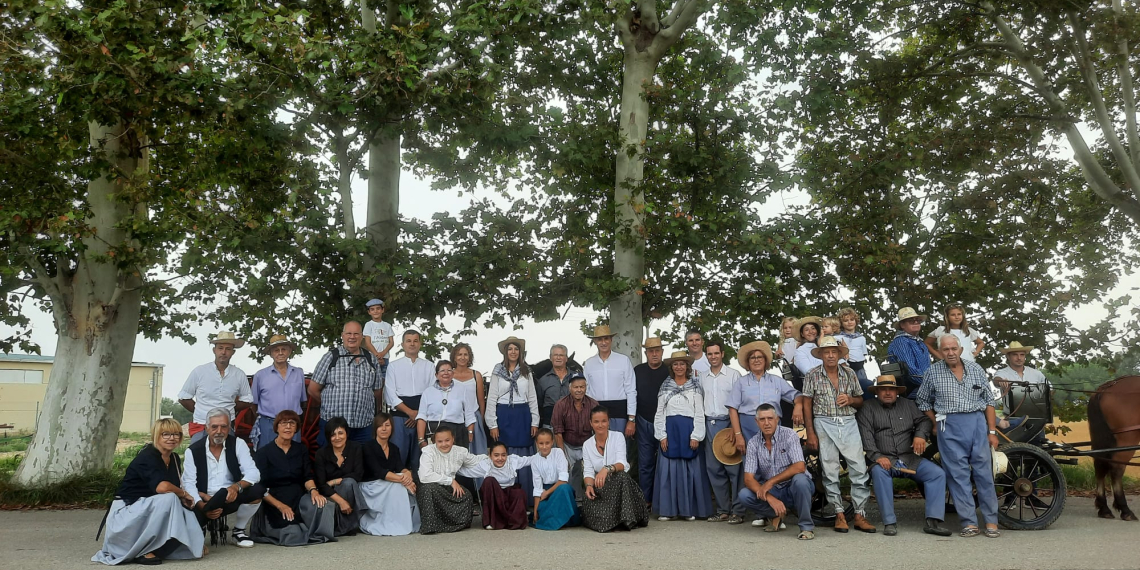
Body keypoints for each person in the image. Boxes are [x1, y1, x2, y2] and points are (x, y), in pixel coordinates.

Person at [915, 334, 1002, 538]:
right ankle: (969, 523)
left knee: (984, 474)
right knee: (957, 476)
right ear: (940, 351)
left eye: (954, 348)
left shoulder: (976, 369)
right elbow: (922, 401)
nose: (950, 353)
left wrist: (991, 431)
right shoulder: (933, 372)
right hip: (950, 424)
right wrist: (936, 422)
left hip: (977, 423)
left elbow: (989, 400)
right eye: (945, 349)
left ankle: (991, 521)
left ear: (961, 349)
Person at [93, 418, 202, 566]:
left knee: (184, 507)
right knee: (170, 498)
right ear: (156, 435)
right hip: (127, 511)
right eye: (166, 434)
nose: (172, 438)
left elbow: (173, 487)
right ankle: (143, 549)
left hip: (148, 509)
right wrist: (183, 494)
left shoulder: (174, 458)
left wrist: (185, 498)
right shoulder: (147, 456)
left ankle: (171, 546)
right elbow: (162, 487)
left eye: (176, 434)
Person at [856, 376, 951, 536]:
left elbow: (924, 421)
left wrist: (920, 435)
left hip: (909, 458)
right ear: (877, 391)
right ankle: (889, 522)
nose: (887, 392)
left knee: (937, 474)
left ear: (896, 391)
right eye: (883, 389)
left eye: (891, 389)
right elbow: (866, 437)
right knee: (879, 473)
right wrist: (878, 456)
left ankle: (933, 521)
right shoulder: (867, 408)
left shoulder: (909, 405)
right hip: (883, 460)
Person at [802, 336, 875, 533]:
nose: (831, 355)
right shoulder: (812, 375)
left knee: (859, 468)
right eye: (827, 352)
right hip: (823, 421)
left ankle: (860, 514)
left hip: (848, 422)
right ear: (822, 355)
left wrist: (851, 400)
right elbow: (807, 403)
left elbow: (860, 399)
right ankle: (839, 513)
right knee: (830, 468)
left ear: (839, 354)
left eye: (834, 351)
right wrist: (810, 432)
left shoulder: (850, 373)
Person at [249, 410, 336, 546]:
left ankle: (316, 534)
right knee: (293, 534)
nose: (288, 427)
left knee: (323, 505)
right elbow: (259, 487)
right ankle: (300, 531)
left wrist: (314, 491)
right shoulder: (263, 453)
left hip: (299, 497)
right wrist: (281, 506)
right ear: (277, 427)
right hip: (275, 501)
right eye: (284, 423)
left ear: (296, 428)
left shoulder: (301, 450)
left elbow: (307, 476)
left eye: (292, 423)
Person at [182, 408, 264, 548]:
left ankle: (238, 531)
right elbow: (188, 483)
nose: (219, 431)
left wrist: (235, 487)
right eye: (214, 427)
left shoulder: (238, 444)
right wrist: (202, 507)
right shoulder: (193, 450)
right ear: (206, 428)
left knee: (257, 491)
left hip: (229, 496)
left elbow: (254, 473)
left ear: (229, 428)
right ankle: (200, 527)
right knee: (193, 543)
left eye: (224, 426)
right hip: (203, 500)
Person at [737, 404, 816, 541]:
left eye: (770, 418)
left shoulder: (789, 435)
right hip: (774, 491)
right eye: (762, 419)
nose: (766, 423)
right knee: (744, 495)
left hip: (793, 487)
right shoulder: (753, 443)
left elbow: (799, 467)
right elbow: (748, 479)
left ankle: (806, 527)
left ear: (777, 419)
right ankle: (776, 514)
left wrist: (770, 482)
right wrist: (770, 498)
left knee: (800, 480)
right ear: (756, 422)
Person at [652, 351, 711, 521]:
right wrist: (662, 435)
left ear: (687, 367)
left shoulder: (695, 387)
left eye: (682, 364)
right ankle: (667, 510)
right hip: (670, 432)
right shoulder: (665, 387)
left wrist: (696, 436)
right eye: (675, 364)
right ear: (672, 367)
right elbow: (659, 413)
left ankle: (688, 510)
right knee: (668, 472)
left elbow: (699, 413)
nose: (679, 367)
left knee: (690, 471)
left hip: (688, 431)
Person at [308, 321, 383, 445]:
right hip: (333, 425)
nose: (352, 337)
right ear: (342, 335)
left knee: (361, 462)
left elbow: (377, 391)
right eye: (348, 333)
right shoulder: (330, 357)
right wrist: (330, 404)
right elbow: (312, 389)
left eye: (356, 334)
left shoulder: (371, 359)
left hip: (363, 426)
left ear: (362, 336)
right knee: (331, 462)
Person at [581, 406, 649, 532]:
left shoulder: (618, 437)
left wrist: (606, 469)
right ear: (590, 423)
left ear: (609, 422)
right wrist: (589, 486)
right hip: (600, 488)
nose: (600, 425)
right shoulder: (587, 444)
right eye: (596, 421)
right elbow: (588, 471)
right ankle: (611, 520)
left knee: (621, 476)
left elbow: (622, 464)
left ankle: (625, 519)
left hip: (619, 486)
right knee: (588, 503)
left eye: (603, 421)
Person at [178, 331, 253, 443]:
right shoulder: (200, 372)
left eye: (228, 349)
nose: (223, 352)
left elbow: (248, 399)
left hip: (226, 426)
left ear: (233, 352)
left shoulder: (239, 374)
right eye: (220, 348)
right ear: (214, 350)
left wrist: (228, 409)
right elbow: (183, 397)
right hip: (202, 425)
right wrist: (201, 411)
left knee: (228, 459)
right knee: (197, 457)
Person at [727, 341, 804, 447]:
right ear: (748, 362)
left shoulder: (777, 380)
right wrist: (738, 435)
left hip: (773, 427)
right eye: (752, 358)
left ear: (765, 360)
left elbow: (797, 395)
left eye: (760, 357)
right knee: (751, 461)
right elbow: (732, 409)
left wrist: (798, 406)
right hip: (748, 429)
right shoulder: (741, 382)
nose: (756, 360)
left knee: (775, 460)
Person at [701, 340, 744, 524]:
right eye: (709, 354)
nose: (713, 357)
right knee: (714, 469)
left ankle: (738, 510)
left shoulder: (734, 375)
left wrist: (736, 430)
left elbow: (739, 403)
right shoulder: (702, 377)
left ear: (722, 354)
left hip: (728, 424)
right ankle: (723, 509)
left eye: (716, 353)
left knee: (734, 469)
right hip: (709, 425)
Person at [416, 426, 489, 534]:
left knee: (466, 496)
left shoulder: (459, 452)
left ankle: (454, 525)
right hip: (430, 486)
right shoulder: (428, 452)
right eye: (440, 441)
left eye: (447, 440)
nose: (444, 444)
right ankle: (431, 526)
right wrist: (450, 481)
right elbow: (425, 476)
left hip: (448, 487)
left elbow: (474, 460)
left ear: (453, 439)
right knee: (429, 489)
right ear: (434, 441)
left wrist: (491, 456)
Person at [359, 413, 420, 536]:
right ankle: (391, 523)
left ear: (392, 428)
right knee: (399, 486)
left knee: (402, 485)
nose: (384, 428)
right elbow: (379, 472)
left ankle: (401, 522)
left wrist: (407, 474)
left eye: (387, 425)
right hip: (371, 486)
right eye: (380, 426)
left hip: (387, 483)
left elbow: (400, 467)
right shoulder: (368, 447)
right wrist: (404, 480)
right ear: (375, 429)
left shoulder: (394, 448)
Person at [384, 330, 435, 471]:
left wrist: (418, 414)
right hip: (400, 417)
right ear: (403, 344)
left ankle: (420, 491)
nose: (412, 344)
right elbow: (390, 395)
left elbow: (432, 393)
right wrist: (410, 413)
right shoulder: (393, 366)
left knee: (420, 458)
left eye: (415, 340)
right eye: (408, 341)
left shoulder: (429, 366)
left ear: (420, 343)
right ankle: (398, 490)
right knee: (398, 456)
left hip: (422, 417)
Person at [250, 335, 306, 450]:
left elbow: (302, 401)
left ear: (289, 351)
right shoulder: (260, 375)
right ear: (271, 353)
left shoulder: (299, 373)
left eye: (284, 349)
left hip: (292, 424)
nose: (280, 353)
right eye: (276, 350)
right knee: (268, 458)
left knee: (292, 457)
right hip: (269, 424)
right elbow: (253, 403)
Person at [583, 325, 637, 438]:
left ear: (611, 340)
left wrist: (631, 419)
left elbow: (631, 390)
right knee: (599, 450)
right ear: (595, 341)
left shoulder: (623, 361)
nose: (603, 342)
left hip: (619, 412)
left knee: (619, 449)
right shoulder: (589, 364)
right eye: (600, 339)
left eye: (606, 338)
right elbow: (586, 392)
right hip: (596, 413)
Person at [633, 336, 669, 507]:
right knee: (645, 463)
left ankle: (663, 500)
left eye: (657, 350)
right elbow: (631, 395)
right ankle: (645, 500)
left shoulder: (670, 370)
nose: (654, 354)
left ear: (662, 352)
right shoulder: (637, 370)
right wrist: (631, 419)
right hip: (643, 421)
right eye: (650, 351)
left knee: (666, 462)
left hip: (666, 422)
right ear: (645, 353)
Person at [313, 417, 364, 536]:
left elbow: (358, 474)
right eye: (333, 435)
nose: (337, 438)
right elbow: (321, 485)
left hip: (351, 490)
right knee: (347, 483)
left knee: (348, 483)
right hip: (330, 495)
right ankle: (345, 525)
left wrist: (335, 481)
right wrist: (341, 501)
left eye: (340, 433)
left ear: (347, 433)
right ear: (328, 437)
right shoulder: (321, 454)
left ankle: (345, 525)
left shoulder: (356, 448)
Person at [551, 375, 599, 500]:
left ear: (586, 387)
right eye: (576, 387)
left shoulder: (593, 404)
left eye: (582, 387)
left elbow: (598, 429)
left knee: (594, 470)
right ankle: (568, 501)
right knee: (565, 473)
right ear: (570, 388)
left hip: (587, 444)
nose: (579, 390)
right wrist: (562, 456)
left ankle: (592, 500)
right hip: (567, 444)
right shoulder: (560, 405)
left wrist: (598, 450)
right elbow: (558, 432)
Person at [992, 341, 1048, 441]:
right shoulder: (1002, 373)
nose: (1019, 358)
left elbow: (1049, 390)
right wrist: (1001, 381)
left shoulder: (1036, 373)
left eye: (1022, 355)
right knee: (1016, 449)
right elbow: (996, 380)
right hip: (1013, 420)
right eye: (1015, 355)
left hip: (1036, 419)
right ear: (1008, 357)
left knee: (1038, 449)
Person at [471, 442, 534, 530]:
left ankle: (514, 522)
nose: (500, 458)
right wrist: (450, 477)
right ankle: (491, 521)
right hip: (494, 495)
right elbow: (466, 471)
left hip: (508, 493)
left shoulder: (512, 461)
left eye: (503, 455)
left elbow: (530, 460)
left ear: (507, 455)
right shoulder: (485, 464)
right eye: (496, 455)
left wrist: (545, 453)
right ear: (490, 455)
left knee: (520, 492)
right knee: (489, 480)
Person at [417, 360, 477, 450]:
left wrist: (470, 431)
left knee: (457, 462)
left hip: (457, 431)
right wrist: (421, 439)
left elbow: (469, 413)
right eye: (442, 370)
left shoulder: (462, 389)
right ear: (436, 375)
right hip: (434, 431)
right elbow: (422, 416)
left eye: (449, 370)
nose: (446, 373)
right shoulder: (428, 392)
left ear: (452, 374)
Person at [531, 428, 580, 530]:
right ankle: (561, 519)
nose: (544, 447)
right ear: (536, 443)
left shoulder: (558, 453)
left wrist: (547, 492)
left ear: (552, 442)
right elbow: (537, 488)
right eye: (541, 443)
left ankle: (561, 521)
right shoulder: (535, 460)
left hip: (560, 489)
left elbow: (563, 480)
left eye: (547, 443)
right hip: (546, 492)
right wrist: (535, 512)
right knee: (541, 508)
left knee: (564, 488)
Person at [451, 343, 489, 456]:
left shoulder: (476, 375)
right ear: (454, 357)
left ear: (470, 357)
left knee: (476, 453)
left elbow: (481, 400)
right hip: (455, 418)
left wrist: (481, 418)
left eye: (465, 354)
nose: (462, 357)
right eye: (459, 354)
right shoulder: (449, 374)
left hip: (474, 417)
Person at [887, 307, 932, 397]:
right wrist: (933, 385)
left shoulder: (920, 342)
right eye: (911, 321)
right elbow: (911, 372)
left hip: (925, 388)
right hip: (912, 392)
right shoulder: (901, 341)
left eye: (918, 320)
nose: (916, 322)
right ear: (902, 325)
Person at [536, 344, 576, 429]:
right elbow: (539, 403)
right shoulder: (543, 380)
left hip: (573, 425)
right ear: (551, 358)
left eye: (561, 355)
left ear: (566, 358)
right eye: (556, 355)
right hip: (550, 426)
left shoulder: (576, 377)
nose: (558, 358)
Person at [836, 308, 872, 397]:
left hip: (860, 368)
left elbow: (863, 353)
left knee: (864, 388)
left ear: (856, 321)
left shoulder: (861, 338)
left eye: (852, 320)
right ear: (841, 323)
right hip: (845, 367)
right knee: (848, 391)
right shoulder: (838, 337)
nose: (849, 322)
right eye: (845, 320)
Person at [362, 299, 395, 378]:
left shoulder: (387, 325)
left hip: (385, 357)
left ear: (382, 310)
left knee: (384, 378)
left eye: (378, 308)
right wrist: (377, 355)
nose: (375, 311)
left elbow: (391, 342)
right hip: (373, 357)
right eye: (372, 309)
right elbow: (368, 343)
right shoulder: (369, 325)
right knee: (372, 378)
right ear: (369, 312)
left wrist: (383, 353)